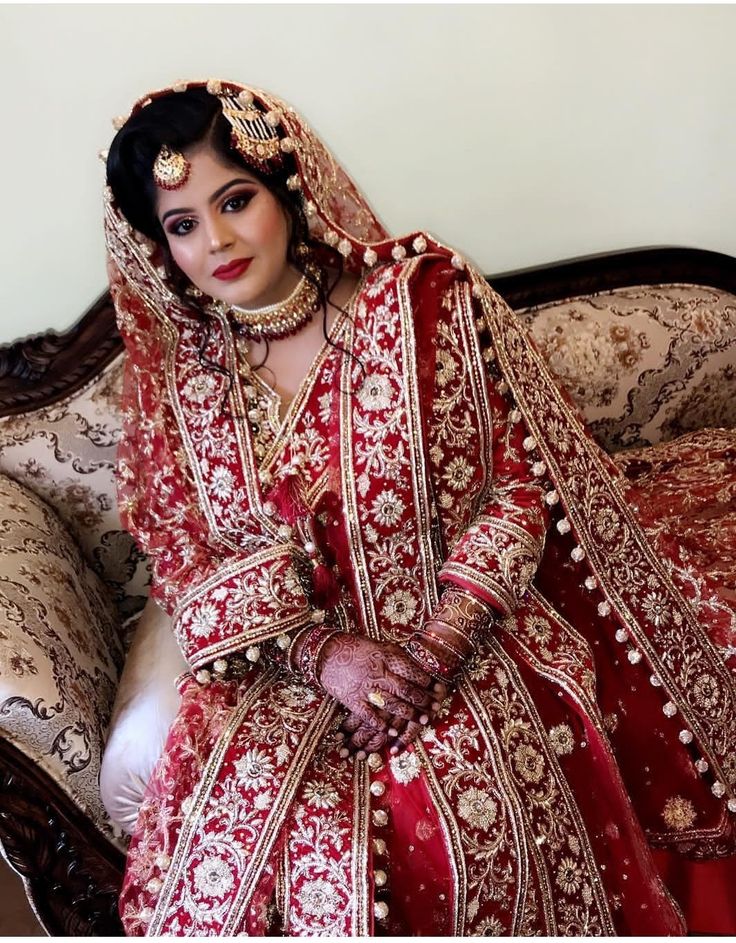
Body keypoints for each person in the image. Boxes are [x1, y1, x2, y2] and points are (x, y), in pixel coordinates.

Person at [104, 79, 736, 936]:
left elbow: (515, 493)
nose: (215, 240)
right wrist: (326, 654)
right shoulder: (183, 391)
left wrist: (433, 649)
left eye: (236, 199)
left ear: (288, 188)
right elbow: (188, 568)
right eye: (182, 225)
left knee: (451, 817)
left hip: (462, 632)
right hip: (293, 678)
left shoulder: (419, 302)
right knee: (251, 865)